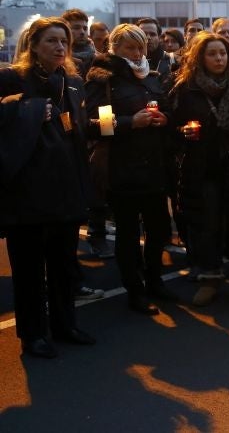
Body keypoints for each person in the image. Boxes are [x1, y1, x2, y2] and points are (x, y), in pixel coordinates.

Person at [0, 17, 97, 358]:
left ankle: (65, 324)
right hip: (25, 192)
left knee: (62, 266)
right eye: (51, 41)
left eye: (63, 42)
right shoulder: (12, 78)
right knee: (28, 270)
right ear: (33, 45)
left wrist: (116, 125)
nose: (59, 47)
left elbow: (80, 127)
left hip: (65, 188)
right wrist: (22, 111)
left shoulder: (70, 81)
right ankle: (32, 335)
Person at [85, 24, 178, 316]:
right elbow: (97, 126)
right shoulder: (104, 79)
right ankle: (134, 290)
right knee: (127, 234)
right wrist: (129, 123)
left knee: (160, 228)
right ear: (114, 48)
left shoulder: (151, 77)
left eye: (140, 47)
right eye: (130, 47)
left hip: (153, 166)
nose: (137, 53)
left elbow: (164, 109)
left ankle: (154, 280)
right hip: (122, 167)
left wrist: (165, 119)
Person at [169, 32, 229, 306]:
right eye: (212, 53)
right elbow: (173, 125)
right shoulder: (187, 87)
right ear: (200, 58)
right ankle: (210, 277)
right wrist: (183, 131)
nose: (219, 58)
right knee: (207, 224)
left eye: (223, 53)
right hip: (202, 164)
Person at [136, 18, 173, 82]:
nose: (148, 37)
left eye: (152, 34)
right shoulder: (127, 62)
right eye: (143, 34)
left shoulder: (171, 61)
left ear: (159, 37)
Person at [62, 8, 96, 77]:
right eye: (76, 28)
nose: (82, 32)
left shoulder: (98, 59)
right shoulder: (58, 60)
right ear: (65, 30)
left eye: (85, 28)